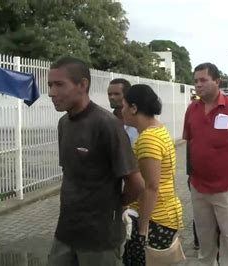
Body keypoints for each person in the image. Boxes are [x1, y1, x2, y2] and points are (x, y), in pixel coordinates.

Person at [47, 56, 144, 266]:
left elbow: (136, 183)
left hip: (100, 239)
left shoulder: (107, 125)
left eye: (59, 85)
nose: (51, 92)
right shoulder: (64, 124)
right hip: (65, 232)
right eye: (50, 85)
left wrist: (113, 207)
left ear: (83, 85)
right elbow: (72, 175)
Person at [183, 63, 228, 266]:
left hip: (226, 188)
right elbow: (190, 142)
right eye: (196, 81)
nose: (198, 85)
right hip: (199, 188)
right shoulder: (192, 110)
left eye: (203, 80)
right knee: (204, 238)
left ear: (217, 82)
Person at [121, 84, 184, 265]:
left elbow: (151, 186)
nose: (121, 111)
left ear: (134, 108)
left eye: (124, 106)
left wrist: (142, 228)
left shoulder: (149, 139)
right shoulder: (158, 130)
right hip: (161, 216)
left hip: (155, 220)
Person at [107, 78, 139, 146]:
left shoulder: (138, 123)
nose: (112, 97)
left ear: (127, 95)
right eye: (109, 94)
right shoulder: (106, 121)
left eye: (116, 94)